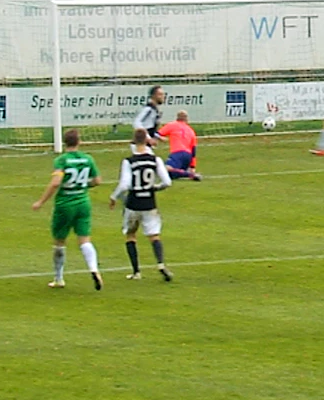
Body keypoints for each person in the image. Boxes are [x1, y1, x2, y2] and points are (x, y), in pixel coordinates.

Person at [31, 129, 103, 290]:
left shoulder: (61, 160)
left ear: (65, 142)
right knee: (84, 240)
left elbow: (56, 182)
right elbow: (97, 181)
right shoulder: (88, 159)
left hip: (65, 204)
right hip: (83, 203)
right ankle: (94, 269)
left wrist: (41, 202)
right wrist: (83, 185)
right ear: (79, 142)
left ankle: (59, 278)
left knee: (59, 241)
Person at [110, 129, 174, 282]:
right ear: (147, 141)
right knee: (154, 236)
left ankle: (136, 272)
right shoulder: (155, 160)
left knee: (131, 235)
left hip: (133, 204)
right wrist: (155, 188)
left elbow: (125, 185)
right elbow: (167, 182)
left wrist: (114, 196)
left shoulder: (129, 161)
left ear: (133, 142)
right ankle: (160, 264)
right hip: (149, 204)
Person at [157, 110, 201, 181]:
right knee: (172, 175)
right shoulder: (191, 130)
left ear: (177, 117)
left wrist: (160, 138)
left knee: (165, 170)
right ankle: (186, 173)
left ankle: (190, 175)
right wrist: (192, 166)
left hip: (177, 154)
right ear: (186, 119)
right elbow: (193, 150)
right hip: (188, 157)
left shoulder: (172, 125)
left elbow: (157, 134)